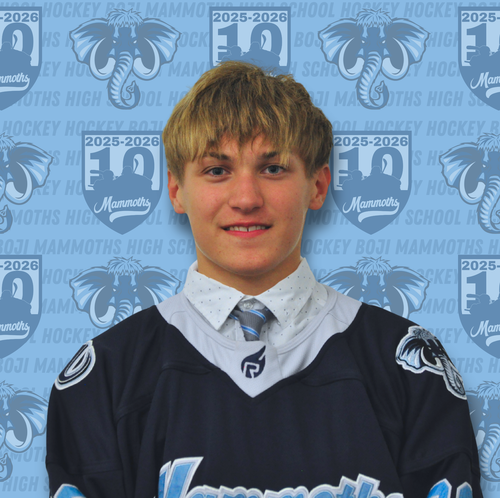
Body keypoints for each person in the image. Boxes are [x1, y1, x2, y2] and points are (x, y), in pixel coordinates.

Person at [46, 61, 482, 497]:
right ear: (176, 190)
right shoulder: (105, 377)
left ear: (318, 185)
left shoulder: (408, 365)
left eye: (272, 169)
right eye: (217, 170)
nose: (246, 198)